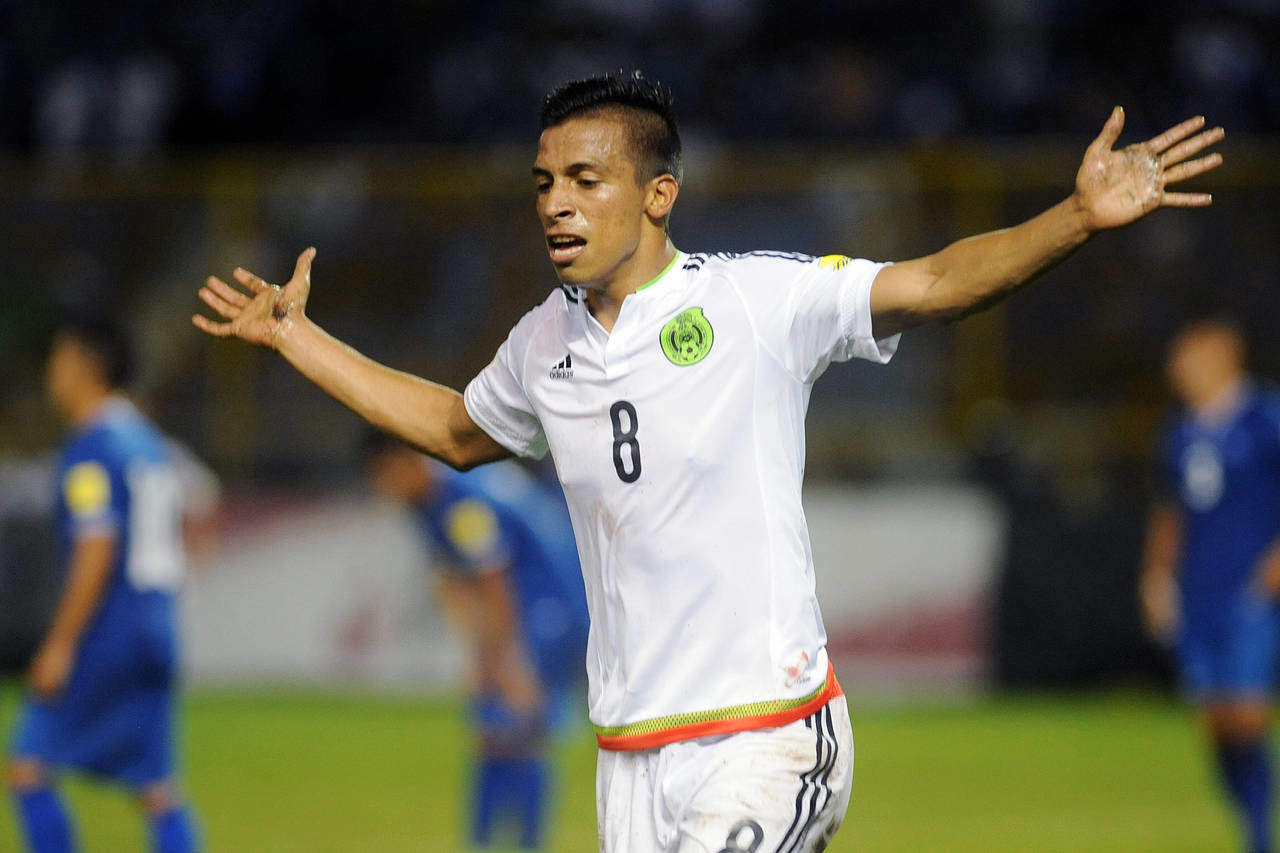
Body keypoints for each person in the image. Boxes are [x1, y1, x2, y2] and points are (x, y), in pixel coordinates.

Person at [192, 71, 1223, 852]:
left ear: (658, 194)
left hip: (767, 736)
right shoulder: (541, 342)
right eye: (544, 182)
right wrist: (297, 339)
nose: (555, 202)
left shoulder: (753, 301)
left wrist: (1076, 217)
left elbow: (936, 282)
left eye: (585, 179)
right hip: (631, 757)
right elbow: (458, 431)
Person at [5, 317, 200, 853]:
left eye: (58, 362)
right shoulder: (147, 441)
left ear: (84, 367)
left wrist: (60, 643)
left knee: (28, 763)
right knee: (157, 787)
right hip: (156, 626)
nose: (51, 376)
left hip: (110, 629)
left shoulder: (92, 446)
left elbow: (96, 548)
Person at [361, 430, 588, 850]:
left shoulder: (460, 500)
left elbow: (492, 579)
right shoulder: (430, 498)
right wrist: (479, 657)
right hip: (526, 603)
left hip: (547, 604)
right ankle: (488, 841)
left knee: (519, 725)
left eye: (384, 475)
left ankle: (522, 842)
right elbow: (455, 579)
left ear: (404, 461)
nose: (384, 488)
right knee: (494, 726)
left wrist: (508, 661)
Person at [1142, 319, 1280, 853]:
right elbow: (1170, 511)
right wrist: (1156, 576)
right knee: (1216, 722)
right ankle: (1250, 826)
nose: (1178, 369)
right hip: (1197, 593)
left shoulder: (1264, 418)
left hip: (1251, 592)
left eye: (1189, 358)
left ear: (1225, 358)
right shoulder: (1179, 431)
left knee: (1247, 714)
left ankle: (1260, 835)